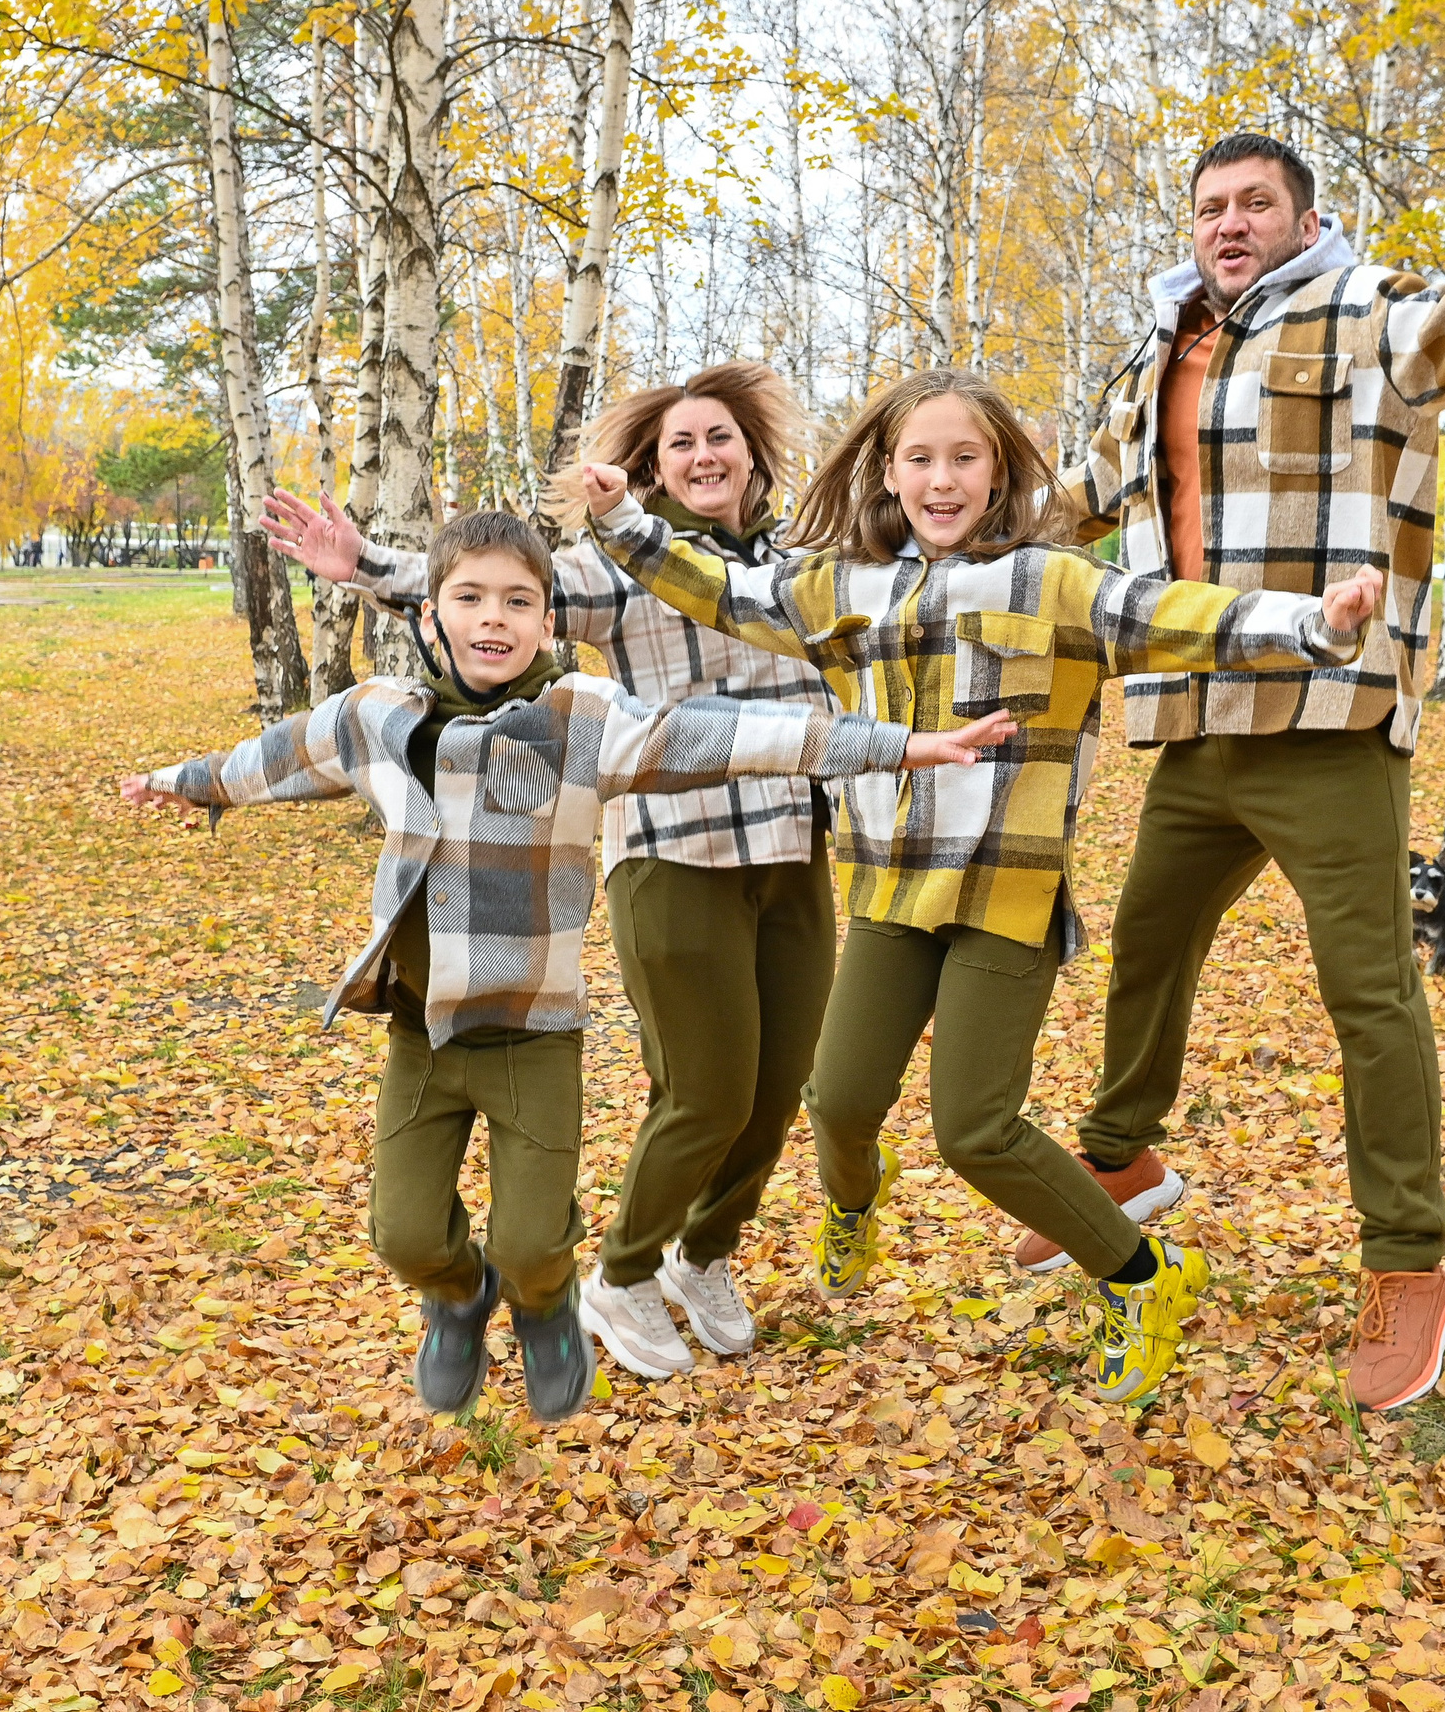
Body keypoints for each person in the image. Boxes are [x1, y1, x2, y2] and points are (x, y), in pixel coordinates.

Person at [1038, 101, 1445, 1413]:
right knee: (1146, 949)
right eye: (1212, 209)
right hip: (1189, 717)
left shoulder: (1368, 312)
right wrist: (925, 502)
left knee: (1369, 992)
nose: (1230, 226)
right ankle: (1115, 1159)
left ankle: (1409, 1263)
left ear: (1305, 220)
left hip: (1326, 718)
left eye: (1255, 206)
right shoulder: (1159, 352)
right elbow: (1073, 496)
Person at [581, 368, 1386, 1401]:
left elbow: (1182, 617)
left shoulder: (1052, 583)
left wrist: (1314, 627)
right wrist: (620, 521)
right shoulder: (840, 588)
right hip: (886, 894)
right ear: (887, 471)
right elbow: (723, 592)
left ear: (998, 468)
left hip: (1003, 895)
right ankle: (852, 1205)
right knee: (836, 1102)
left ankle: (1141, 1277)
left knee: (973, 1128)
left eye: (965, 456)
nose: (942, 478)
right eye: (920, 458)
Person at [121, 507, 1012, 1422]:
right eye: (469, 598)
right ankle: (461, 1298)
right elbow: (276, 754)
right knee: (405, 1233)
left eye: (519, 600)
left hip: (534, 1036)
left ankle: (546, 1305)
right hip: (422, 1034)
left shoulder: (581, 720)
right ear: (432, 615)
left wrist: (897, 745)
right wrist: (180, 783)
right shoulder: (378, 718)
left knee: (536, 1242)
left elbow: (732, 736)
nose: (493, 618)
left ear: (551, 621)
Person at [261, 364, 851, 1384]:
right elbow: (499, 589)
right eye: (680, 444)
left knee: (776, 1088)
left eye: (719, 438)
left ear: (752, 450)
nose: (703, 456)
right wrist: (364, 564)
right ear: (652, 466)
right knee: (704, 1092)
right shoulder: (621, 565)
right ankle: (618, 1275)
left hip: (791, 850)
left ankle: (700, 1255)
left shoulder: (802, 563)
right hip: (673, 851)